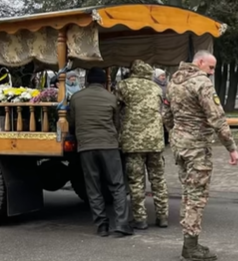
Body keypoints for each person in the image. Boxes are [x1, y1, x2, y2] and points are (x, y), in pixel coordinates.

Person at [162, 50, 238, 261]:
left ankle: (190, 242)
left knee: (188, 192)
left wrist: (177, 134)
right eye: (211, 67)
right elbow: (217, 118)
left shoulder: (173, 82)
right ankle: (191, 248)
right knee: (197, 196)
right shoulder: (201, 83)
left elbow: (166, 115)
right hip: (197, 147)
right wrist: (231, 148)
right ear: (200, 62)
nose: (212, 73)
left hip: (180, 145)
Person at [67, 67, 133, 238]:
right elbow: (117, 123)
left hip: (86, 147)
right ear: (104, 82)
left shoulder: (76, 98)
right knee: (117, 185)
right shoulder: (111, 98)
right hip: (109, 145)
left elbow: (72, 123)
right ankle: (121, 225)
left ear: (87, 81)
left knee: (93, 186)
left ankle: (102, 226)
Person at [116, 60, 169, 230]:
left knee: (136, 181)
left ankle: (140, 219)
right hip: (155, 141)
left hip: (133, 142)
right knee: (158, 180)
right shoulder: (156, 88)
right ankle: (162, 217)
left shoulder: (124, 85)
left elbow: (115, 107)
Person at [153, 68, 169, 146]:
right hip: (158, 106)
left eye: (164, 75)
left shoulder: (167, 85)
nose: (163, 77)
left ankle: (167, 139)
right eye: (161, 76)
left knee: (167, 122)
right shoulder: (154, 85)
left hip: (166, 106)